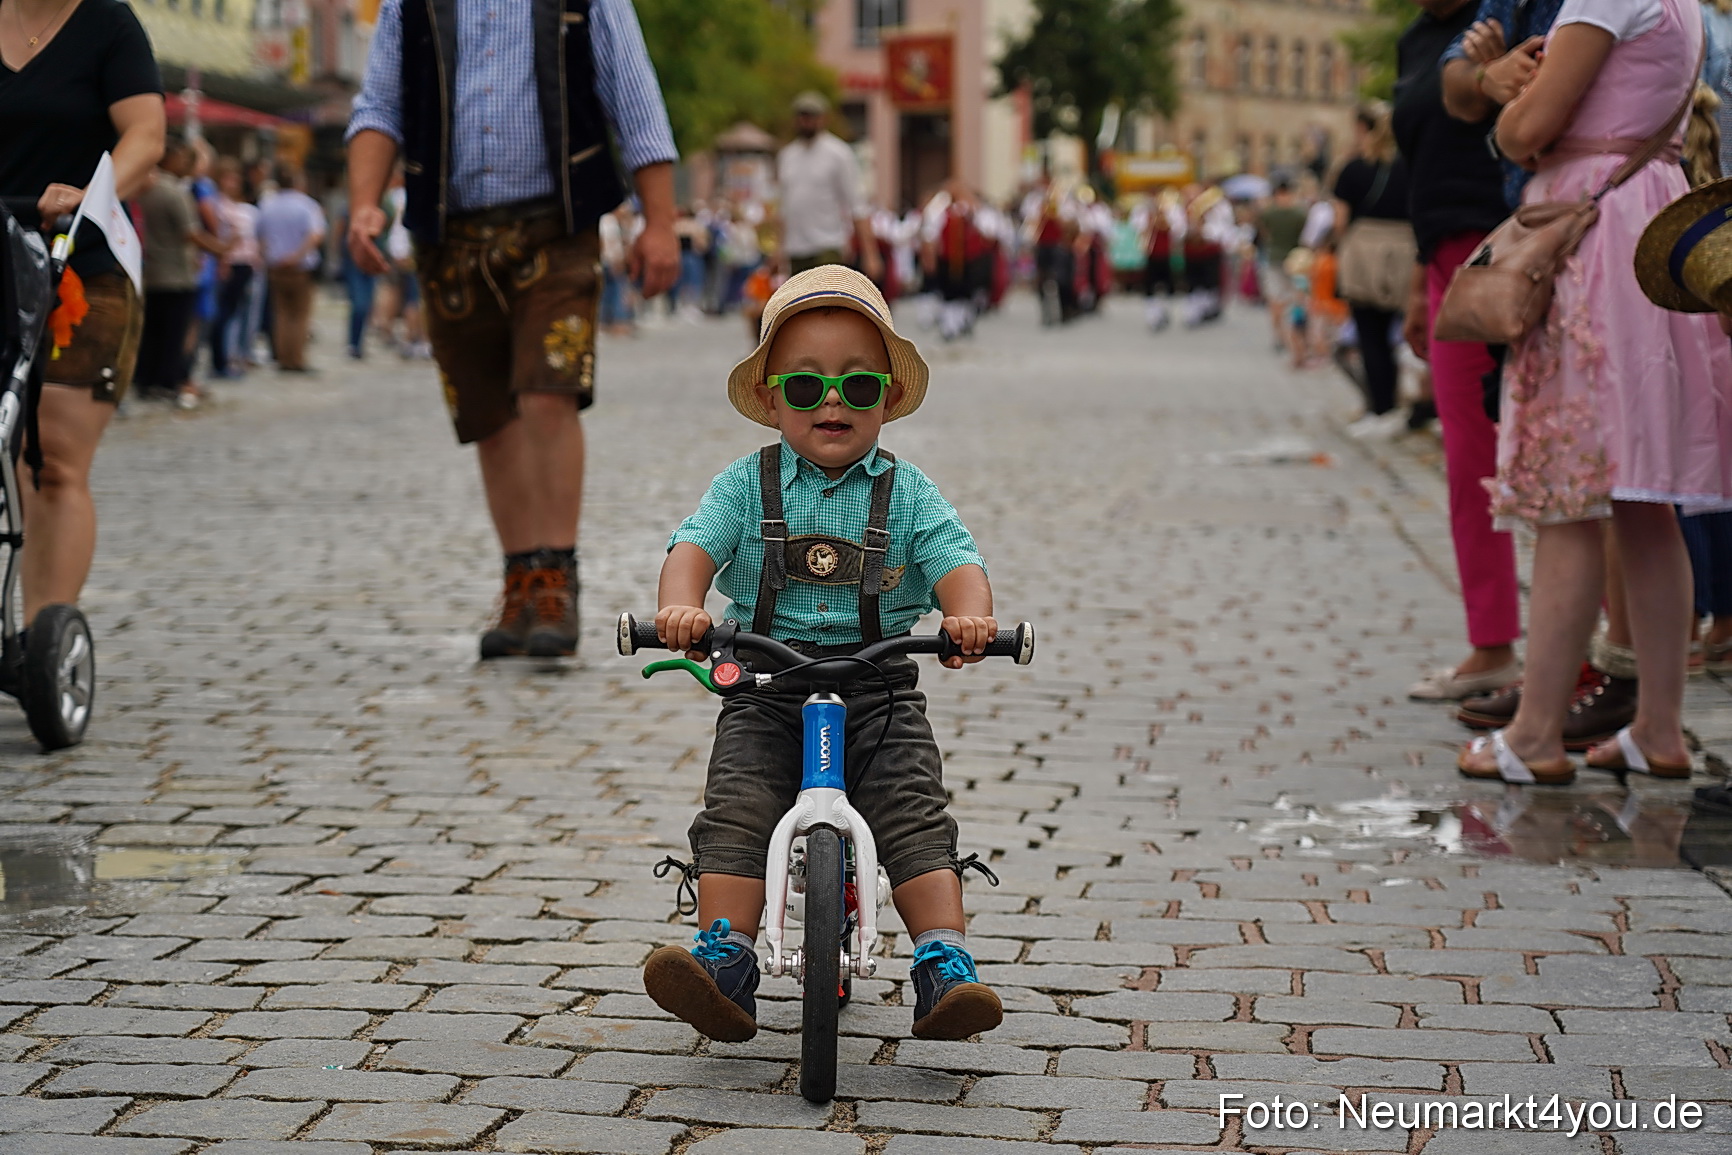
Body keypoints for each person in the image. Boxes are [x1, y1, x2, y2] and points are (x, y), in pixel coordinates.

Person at [643, 266, 1003, 1043]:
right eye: (805, 389)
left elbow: (956, 561)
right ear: (772, 399)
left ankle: (944, 962)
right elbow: (694, 546)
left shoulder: (908, 495)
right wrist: (683, 604)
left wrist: (969, 618)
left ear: (890, 399)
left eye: (857, 387)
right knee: (737, 808)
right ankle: (725, 956)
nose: (832, 402)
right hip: (766, 679)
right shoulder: (747, 484)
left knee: (914, 815)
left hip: (878, 684)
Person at [346, 0, 679, 660]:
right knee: (488, 414)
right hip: (451, 230)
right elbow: (379, 104)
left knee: (548, 394)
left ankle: (556, 579)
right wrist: (362, 204)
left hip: (556, 226)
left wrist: (661, 221)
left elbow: (635, 96)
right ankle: (520, 577)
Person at [1459, 0, 1732, 784]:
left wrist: (1510, 94)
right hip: (1645, 226)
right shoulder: (1682, 4)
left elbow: (1526, 130)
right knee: (1645, 507)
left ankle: (1536, 732)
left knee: (1569, 498)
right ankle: (1658, 727)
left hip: (1592, 238)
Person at [0, 0, 164, 631]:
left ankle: (45, 636)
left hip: (83, 266)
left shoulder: (108, 24)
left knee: (52, 461)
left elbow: (145, 139)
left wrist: (91, 194)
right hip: (2, 261)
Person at [1393, 0, 1525, 704]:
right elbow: (1422, 164)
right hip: (1444, 257)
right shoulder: (1417, 40)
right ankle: (1493, 640)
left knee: (1547, 454)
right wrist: (1420, 277)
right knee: (1469, 459)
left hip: (1506, 247)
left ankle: (1599, 652)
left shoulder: (1505, 15)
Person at [1332, 104, 1414, 438]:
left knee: (1370, 334)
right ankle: (1415, 402)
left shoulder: (1352, 169)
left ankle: (1382, 406)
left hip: (1365, 250)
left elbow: (1339, 220)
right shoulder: (1411, 167)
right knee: (1407, 332)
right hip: (1406, 250)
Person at [136, 137, 226, 407]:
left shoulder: (143, 188)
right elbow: (190, 232)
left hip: (150, 271)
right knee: (173, 333)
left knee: (151, 331)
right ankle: (168, 381)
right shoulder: (173, 191)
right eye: (183, 158)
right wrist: (219, 249)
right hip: (175, 273)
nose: (188, 164)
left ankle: (146, 380)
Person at [777, 92, 881, 281]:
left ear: (823, 118)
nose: (806, 121)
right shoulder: (787, 156)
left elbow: (857, 205)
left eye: (811, 116)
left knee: (826, 303)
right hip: (796, 247)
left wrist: (870, 254)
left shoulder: (838, 153)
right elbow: (785, 207)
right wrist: (778, 248)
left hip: (827, 243)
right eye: (802, 116)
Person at [256, 166, 325, 373]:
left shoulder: (267, 205)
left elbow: (259, 234)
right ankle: (297, 358)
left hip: (275, 266)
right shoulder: (306, 205)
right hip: (299, 267)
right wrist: (296, 255)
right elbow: (315, 235)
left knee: (281, 314)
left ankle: (283, 357)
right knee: (300, 315)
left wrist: (270, 255)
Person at [209, 157, 260, 379]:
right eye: (229, 178)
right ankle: (222, 359)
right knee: (226, 313)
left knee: (238, 312)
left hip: (245, 263)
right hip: (230, 262)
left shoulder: (236, 205)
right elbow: (221, 237)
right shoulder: (218, 205)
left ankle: (235, 355)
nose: (234, 182)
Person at [1256, 177, 1308, 348]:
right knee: (1294, 298)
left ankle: (1279, 335)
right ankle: (1294, 335)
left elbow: (1264, 233)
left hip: (1273, 258)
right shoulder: (1299, 213)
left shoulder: (1268, 212)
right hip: (1295, 260)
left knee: (1275, 299)